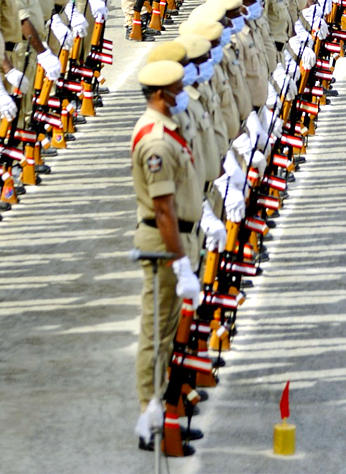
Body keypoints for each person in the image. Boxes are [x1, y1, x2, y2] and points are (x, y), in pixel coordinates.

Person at [131, 59, 203, 449]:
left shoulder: (168, 130)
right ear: (160, 94)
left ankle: (164, 410)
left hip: (178, 240)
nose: (181, 93)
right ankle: (149, 413)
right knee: (156, 333)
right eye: (176, 89)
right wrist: (180, 262)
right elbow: (162, 209)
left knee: (169, 333)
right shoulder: (156, 140)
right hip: (164, 249)